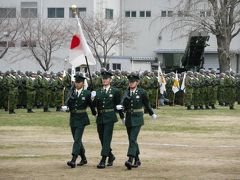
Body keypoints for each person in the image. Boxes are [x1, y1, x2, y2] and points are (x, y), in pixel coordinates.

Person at [117, 72, 157, 170]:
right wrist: (121, 109)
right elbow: (123, 103)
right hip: (129, 118)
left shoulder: (142, 92)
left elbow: (147, 104)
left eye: (133, 82)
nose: (130, 83)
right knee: (132, 139)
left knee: (132, 139)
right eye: (129, 82)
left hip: (138, 117)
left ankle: (130, 159)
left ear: (137, 82)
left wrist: (152, 113)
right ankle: (137, 159)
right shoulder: (126, 92)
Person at [92, 70, 124, 169]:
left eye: (106, 79)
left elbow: (118, 105)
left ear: (110, 80)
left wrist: (122, 117)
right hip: (100, 117)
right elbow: (94, 107)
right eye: (103, 79)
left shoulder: (115, 91)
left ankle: (103, 159)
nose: (104, 80)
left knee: (106, 138)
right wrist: (92, 99)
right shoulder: (97, 91)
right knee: (102, 138)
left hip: (110, 117)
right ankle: (111, 156)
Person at [66, 72, 96, 168]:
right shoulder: (72, 92)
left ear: (83, 83)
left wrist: (95, 113)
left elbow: (92, 105)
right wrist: (66, 107)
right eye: (76, 82)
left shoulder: (87, 93)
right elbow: (70, 104)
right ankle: (83, 158)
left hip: (82, 118)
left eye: (79, 82)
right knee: (76, 139)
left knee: (77, 139)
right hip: (73, 118)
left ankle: (73, 159)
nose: (77, 84)